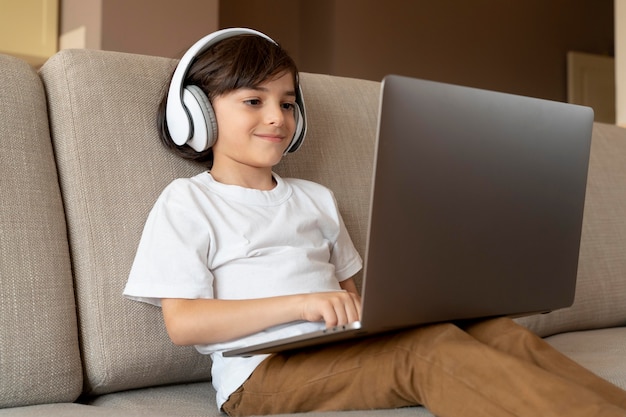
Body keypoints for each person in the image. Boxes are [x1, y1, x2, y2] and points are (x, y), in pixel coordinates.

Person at [123, 28, 626, 417]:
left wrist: (411, 304)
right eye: (254, 101)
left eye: (288, 103)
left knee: (497, 331)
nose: (277, 117)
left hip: (333, 348)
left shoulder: (315, 199)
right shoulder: (188, 201)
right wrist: (300, 303)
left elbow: (353, 297)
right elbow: (183, 323)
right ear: (195, 116)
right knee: (428, 353)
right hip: (258, 377)